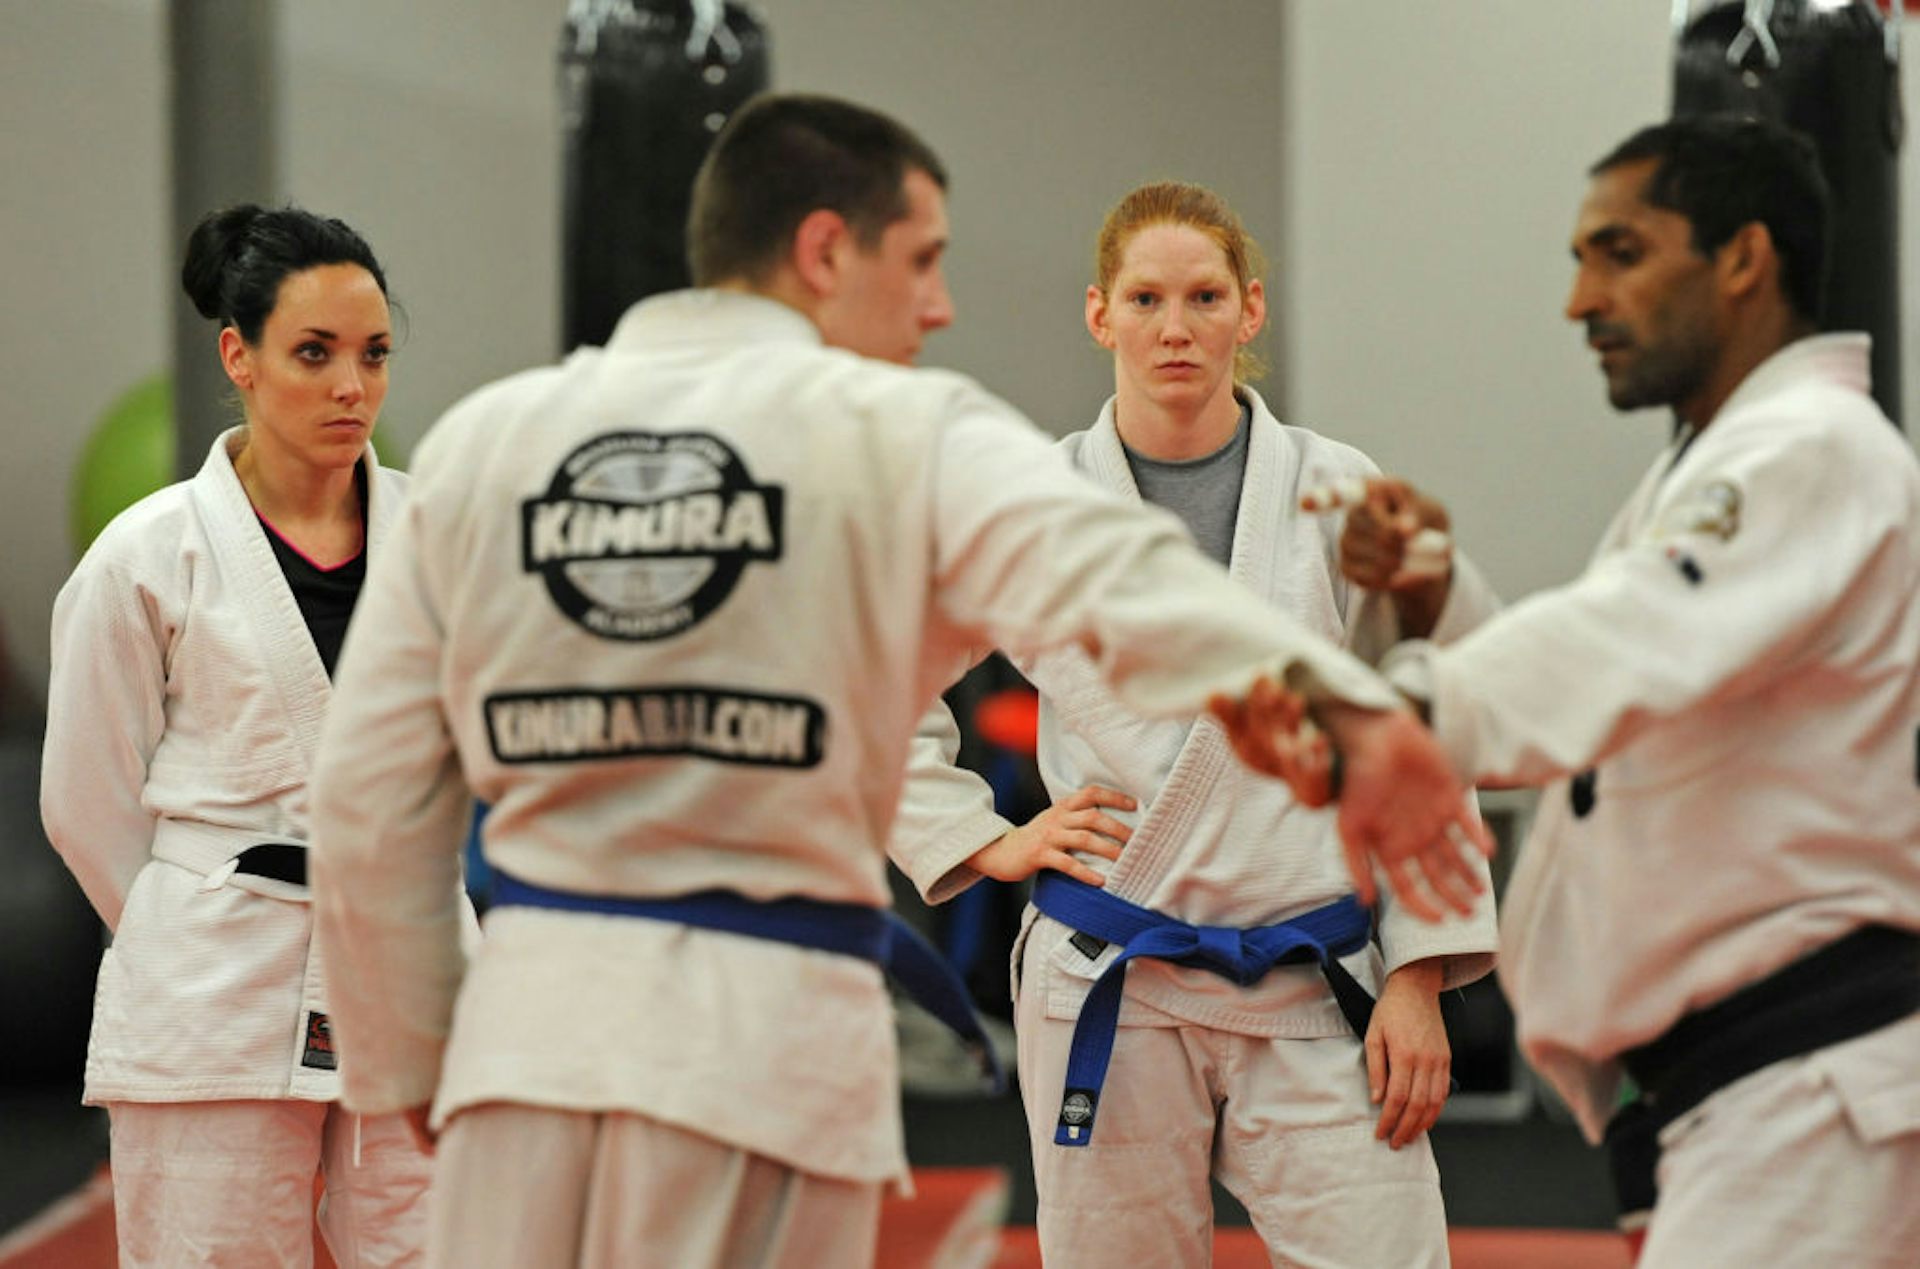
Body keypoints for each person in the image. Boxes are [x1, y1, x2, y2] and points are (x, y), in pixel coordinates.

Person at [304, 94, 1488, 1269]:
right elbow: (1120, 577)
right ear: (826, 250)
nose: (941, 305)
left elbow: (364, 798)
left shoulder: (479, 443)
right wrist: (1335, 707)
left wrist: (407, 1049)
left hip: (529, 1043)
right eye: (921, 260)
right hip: (774, 1038)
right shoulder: (903, 432)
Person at [1231, 115, 1920, 1267]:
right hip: (1739, 1097)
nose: (1580, 299)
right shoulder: (1716, 464)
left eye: (1621, 253)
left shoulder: (1810, 447)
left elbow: (1621, 643)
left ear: (1744, 258)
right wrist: (1439, 599)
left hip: (1806, 1085)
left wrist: (1398, 712)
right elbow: (1618, 716)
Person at [888, 181, 1500, 1268]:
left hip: (1315, 976)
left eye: (1205, 297)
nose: (1177, 327)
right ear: (1100, 313)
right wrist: (988, 838)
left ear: (1249, 311)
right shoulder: (1031, 502)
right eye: (1147, 298)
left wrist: (1417, 973)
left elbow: (1423, 727)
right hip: (1109, 974)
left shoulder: (1338, 491)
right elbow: (880, 684)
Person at [39, 205, 435, 1267]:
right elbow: (85, 801)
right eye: (315, 353)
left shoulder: (443, 536)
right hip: (213, 981)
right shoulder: (147, 555)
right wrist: (188, 924)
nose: (353, 386)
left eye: (374, 354)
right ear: (239, 356)